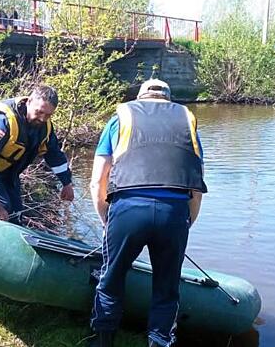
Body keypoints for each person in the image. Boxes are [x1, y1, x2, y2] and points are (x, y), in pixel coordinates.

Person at [89, 79, 207, 347]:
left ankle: (103, 340)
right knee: (167, 287)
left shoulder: (121, 117)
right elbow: (196, 184)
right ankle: (159, 341)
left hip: (128, 207)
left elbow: (98, 179)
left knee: (111, 276)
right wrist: (187, 221)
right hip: (173, 212)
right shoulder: (188, 122)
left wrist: (106, 217)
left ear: (140, 97)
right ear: (169, 98)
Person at [0, 85, 74, 222]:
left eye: (48, 115)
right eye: (39, 112)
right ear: (29, 102)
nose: (43, 119)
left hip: (7, 165)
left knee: (15, 211)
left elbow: (54, 155)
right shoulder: (2, 121)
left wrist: (67, 183)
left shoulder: (44, 127)